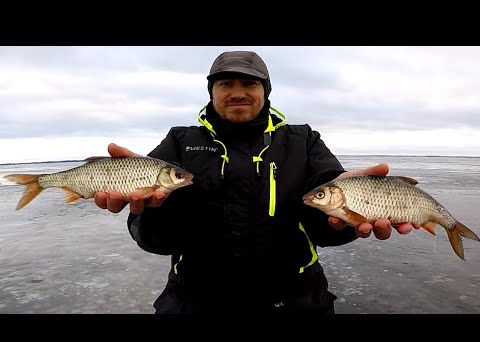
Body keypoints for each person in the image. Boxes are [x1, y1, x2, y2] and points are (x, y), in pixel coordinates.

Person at [94, 50, 417, 314]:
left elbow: (326, 207)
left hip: (295, 295)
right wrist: (149, 207)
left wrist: (349, 212)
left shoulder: (302, 140)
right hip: (194, 296)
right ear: (212, 92)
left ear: (265, 91)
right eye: (225, 84)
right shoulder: (180, 141)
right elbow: (155, 240)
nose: (237, 93)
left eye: (249, 83)